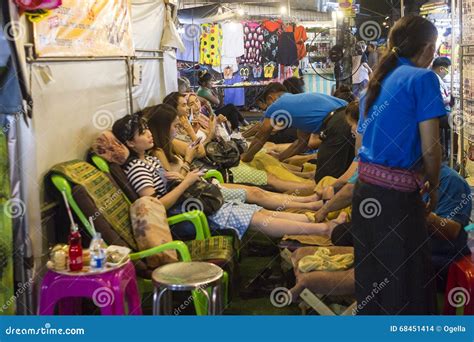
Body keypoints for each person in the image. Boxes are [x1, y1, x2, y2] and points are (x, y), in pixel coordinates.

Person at [111, 114, 347, 239]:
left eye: (148, 129)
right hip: (188, 211)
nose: (149, 134)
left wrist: (183, 174)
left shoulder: (150, 159)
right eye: (142, 133)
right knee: (257, 217)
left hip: (197, 196)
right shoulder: (139, 169)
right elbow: (156, 206)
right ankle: (322, 227)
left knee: (258, 210)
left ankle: (316, 217)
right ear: (130, 142)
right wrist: (186, 180)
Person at [352, 15, 447, 315]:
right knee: (406, 286)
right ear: (430, 48)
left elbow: (360, 146)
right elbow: (432, 149)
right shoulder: (424, 79)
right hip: (396, 203)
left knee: (373, 282)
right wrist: (434, 187)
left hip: (364, 194)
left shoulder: (376, 84)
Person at [146, 103, 325, 212]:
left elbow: (202, 149)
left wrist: (207, 123)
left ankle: (308, 190)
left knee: (269, 164)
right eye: (185, 104)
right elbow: (193, 160)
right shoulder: (160, 151)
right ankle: (310, 194)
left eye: (191, 103)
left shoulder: (174, 141)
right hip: (209, 180)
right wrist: (193, 136)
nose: (191, 107)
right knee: (263, 184)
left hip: (211, 176)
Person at [241, 82, 348, 164]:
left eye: (266, 107)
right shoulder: (300, 104)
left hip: (338, 121)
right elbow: (300, 144)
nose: (266, 111)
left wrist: (245, 158)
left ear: (270, 99)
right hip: (351, 116)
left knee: (327, 175)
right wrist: (279, 157)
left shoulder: (276, 105)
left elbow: (260, 137)